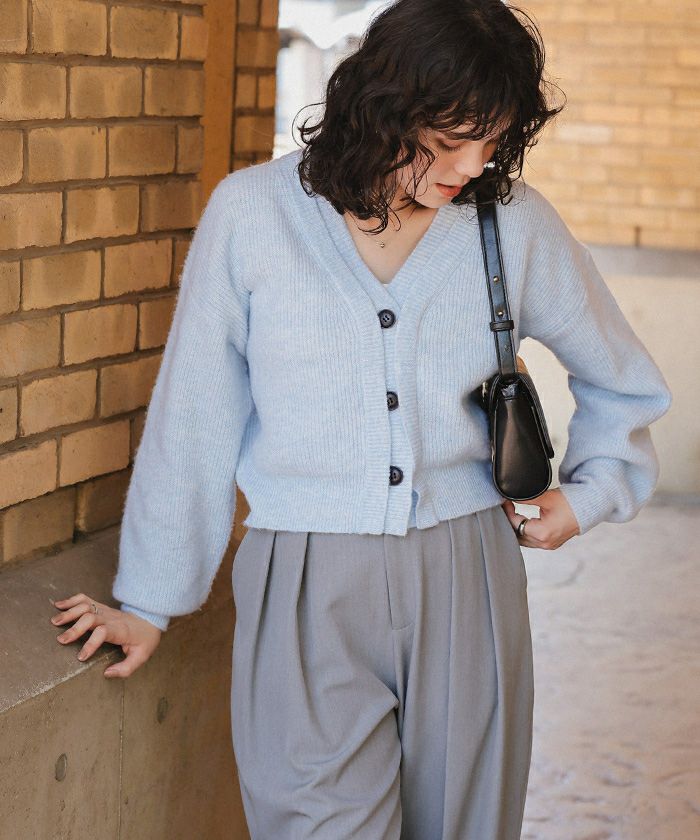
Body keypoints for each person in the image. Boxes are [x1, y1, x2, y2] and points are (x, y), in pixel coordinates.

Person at [50, 0, 673, 837]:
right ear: (383, 106)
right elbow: (195, 415)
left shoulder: (513, 223)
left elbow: (624, 379)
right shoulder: (253, 215)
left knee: (463, 823)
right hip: (306, 580)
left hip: (467, 575)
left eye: (493, 142)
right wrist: (148, 600)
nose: (471, 166)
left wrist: (590, 494)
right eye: (449, 140)